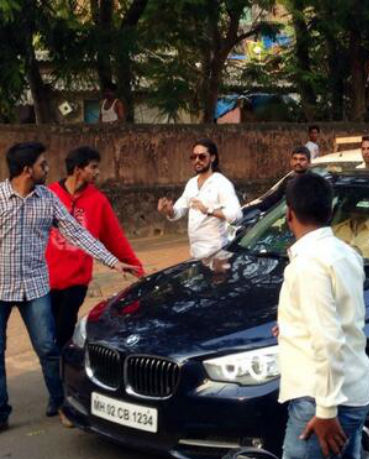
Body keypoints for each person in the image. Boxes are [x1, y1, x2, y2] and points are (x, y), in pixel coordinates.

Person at [0, 142, 137, 431]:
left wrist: (114, 261)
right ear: (27, 169)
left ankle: (61, 402)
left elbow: (78, 234)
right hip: (1, 286)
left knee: (49, 347)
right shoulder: (0, 199)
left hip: (36, 287)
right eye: (42, 164)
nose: (46, 168)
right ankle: (1, 412)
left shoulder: (47, 198)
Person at [277, 172, 369, 459]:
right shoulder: (346, 253)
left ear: (289, 213)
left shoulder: (308, 265)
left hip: (323, 400)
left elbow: (328, 338)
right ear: (330, 210)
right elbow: (339, 319)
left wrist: (327, 410)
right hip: (354, 390)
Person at [46, 146, 144, 349]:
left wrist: (136, 267)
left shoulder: (98, 201)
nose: (98, 172)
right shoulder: (49, 195)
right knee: (48, 330)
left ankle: (62, 372)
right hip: (47, 279)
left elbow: (114, 238)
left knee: (65, 328)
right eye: (93, 167)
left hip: (77, 280)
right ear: (78, 169)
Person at [157, 139, 243, 259]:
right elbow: (178, 211)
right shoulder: (192, 183)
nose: (197, 160)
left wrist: (209, 210)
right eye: (194, 157)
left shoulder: (221, 183)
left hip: (218, 254)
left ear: (212, 158)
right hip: (196, 255)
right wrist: (169, 210)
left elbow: (237, 215)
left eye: (202, 157)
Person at [247, 146, 312, 212]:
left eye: (302, 159)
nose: (298, 162)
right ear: (291, 161)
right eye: (295, 159)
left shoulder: (314, 183)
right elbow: (272, 200)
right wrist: (246, 211)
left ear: (309, 162)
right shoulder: (289, 180)